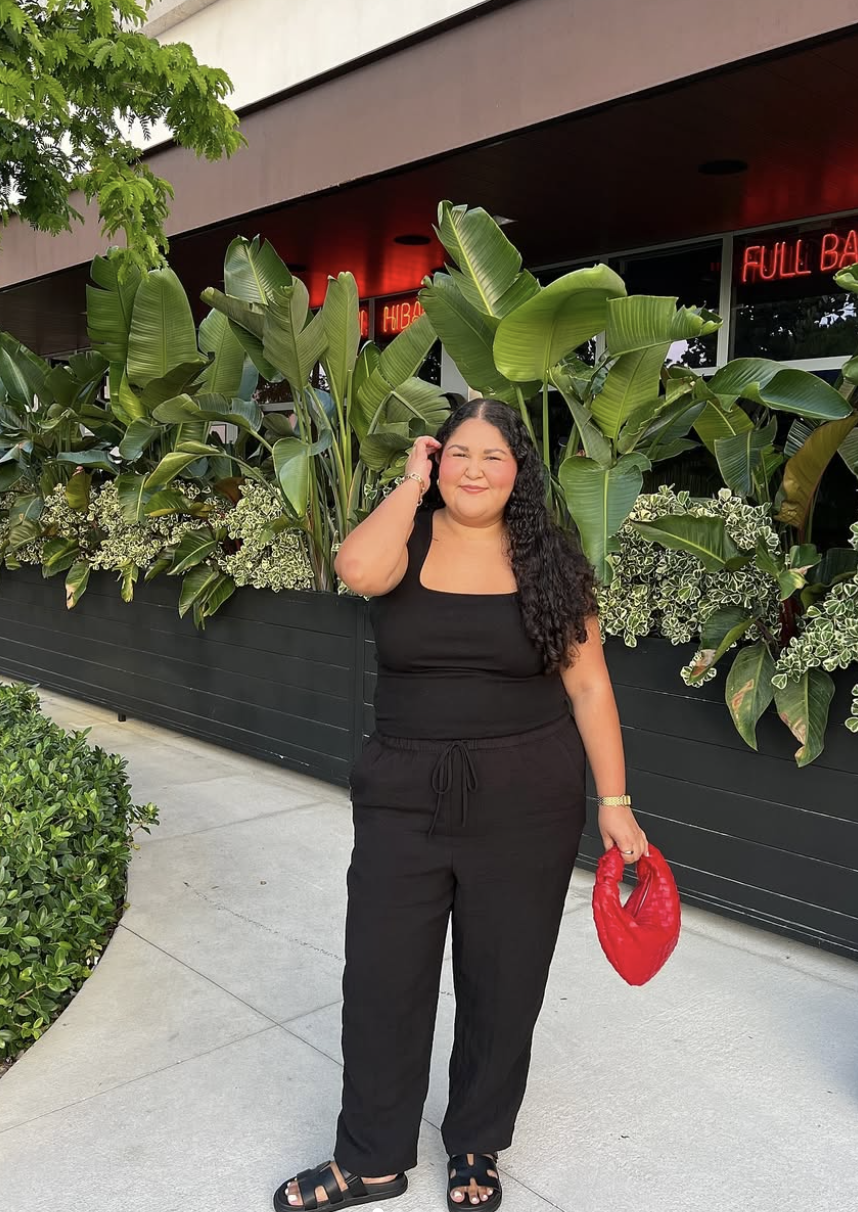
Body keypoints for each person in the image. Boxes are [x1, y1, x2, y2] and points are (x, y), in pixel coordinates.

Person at [273, 398, 649, 1212]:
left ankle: (477, 1142)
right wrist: (410, 484)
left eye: (494, 457)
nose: (475, 470)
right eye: (459, 455)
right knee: (383, 976)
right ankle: (371, 1159)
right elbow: (356, 570)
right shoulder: (403, 538)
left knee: (504, 981)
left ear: (519, 474)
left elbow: (589, 685)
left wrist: (615, 801)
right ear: (436, 459)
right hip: (403, 793)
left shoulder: (549, 561)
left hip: (528, 795)